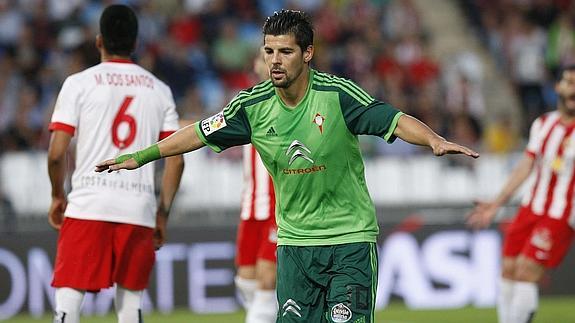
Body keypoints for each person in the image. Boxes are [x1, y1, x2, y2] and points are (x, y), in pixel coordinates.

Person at [96, 9, 478, 322]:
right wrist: (142, 156)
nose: (274, 61)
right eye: (269, 52)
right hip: (295, 247)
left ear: (307, 53)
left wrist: (433, 139)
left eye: (285, 52)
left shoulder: (337, 95)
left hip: (349, 242)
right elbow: (197, 132)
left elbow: (392, 119)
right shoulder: (252, 106)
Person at [47, 4, 184, 323]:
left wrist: (57, 195)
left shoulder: (78, 83)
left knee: (68, 303)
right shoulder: (160, 90)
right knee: (129, 307)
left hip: (87, 204)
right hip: (138, 207)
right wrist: (161, 213)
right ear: (135, 44)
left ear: (99, 41)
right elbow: (175, 158)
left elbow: (56, 153)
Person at [467, 65, 575, 323]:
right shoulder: (543, 124)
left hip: (561, 213)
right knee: (508, 270)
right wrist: (496, 204)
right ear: (558, 87)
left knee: (526, 271)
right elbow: (525, 167)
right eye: (570, 82)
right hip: (531, 207)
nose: (574, 89)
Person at [234, 50, 279, 323]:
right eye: (264, 57)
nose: (270, 62)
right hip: (251, 205)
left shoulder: (289, 99)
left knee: (266, 280)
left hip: (277, 204)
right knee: (245, 280)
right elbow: (208, 127)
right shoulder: (246, 102)